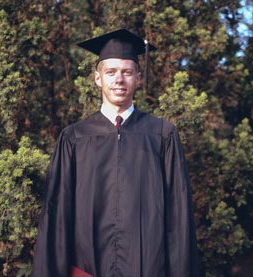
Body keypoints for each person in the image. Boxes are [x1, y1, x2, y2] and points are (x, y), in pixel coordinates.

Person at [32, 29, 199, 277]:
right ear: (97, 78)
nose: (118, 79)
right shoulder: (74, 138)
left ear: (138, 78)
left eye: (127, 72)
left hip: (148, 268)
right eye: (110, 72)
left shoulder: (162, 135)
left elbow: (179, 216)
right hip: (86, 268)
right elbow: (57, 216)